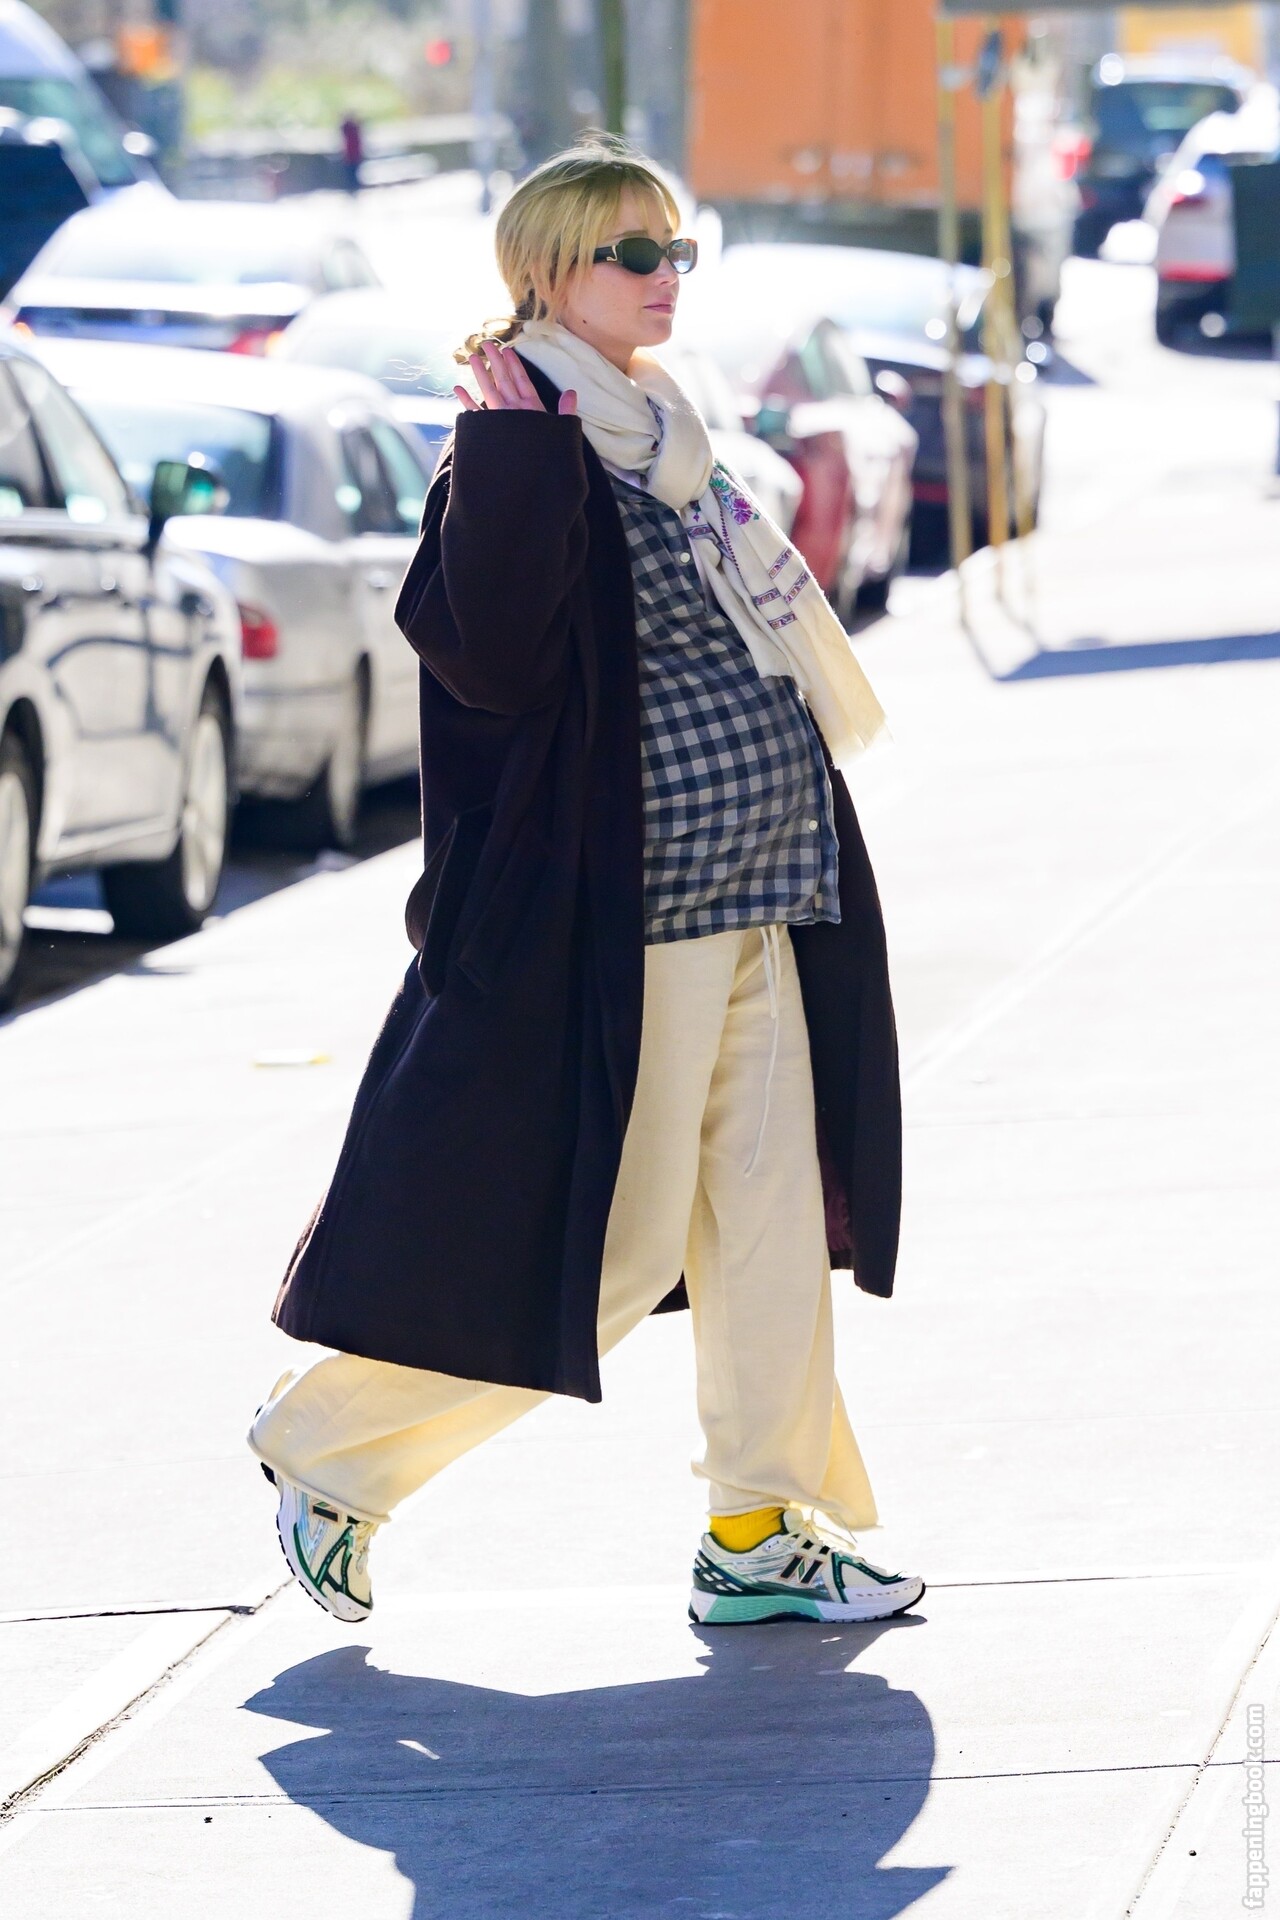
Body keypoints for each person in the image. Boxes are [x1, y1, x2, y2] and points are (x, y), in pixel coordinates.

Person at [248, 137, 923, 1629]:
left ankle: (760, 1528)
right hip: (633, 915)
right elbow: (487, 657)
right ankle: (328, 1451)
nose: (664, 276)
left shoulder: (665, 426)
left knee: (765, 1234)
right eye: (632, 253)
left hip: (761, 886)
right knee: (615, 1241)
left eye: (678, 249)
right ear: (549, 273)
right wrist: (507, 459)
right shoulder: (515, 436)